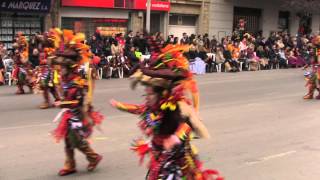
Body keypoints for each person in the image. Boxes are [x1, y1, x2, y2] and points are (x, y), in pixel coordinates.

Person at [110, 44, 223, 180]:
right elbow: (137, 109)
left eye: (150, 94)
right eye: (146, 93)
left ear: (161, 93)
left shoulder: (175, 107)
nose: (147, 97)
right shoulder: (152, 108)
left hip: (178, 162)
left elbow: (188, 126)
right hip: (159, 158)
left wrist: (175, 137)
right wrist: (119, 105)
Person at [51, 29, 104, 176]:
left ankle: (93, 157)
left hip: (78, 116)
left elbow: (77, 103)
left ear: (69, 68)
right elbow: (64, 96)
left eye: (62, 68)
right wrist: (59, 89)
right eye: (59, 68)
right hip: (70, 115)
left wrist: (63, 104)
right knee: (68, 141)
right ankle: (70, 164)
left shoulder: (76, 82)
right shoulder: (65, 80)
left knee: (77, 140)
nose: (59, 70)